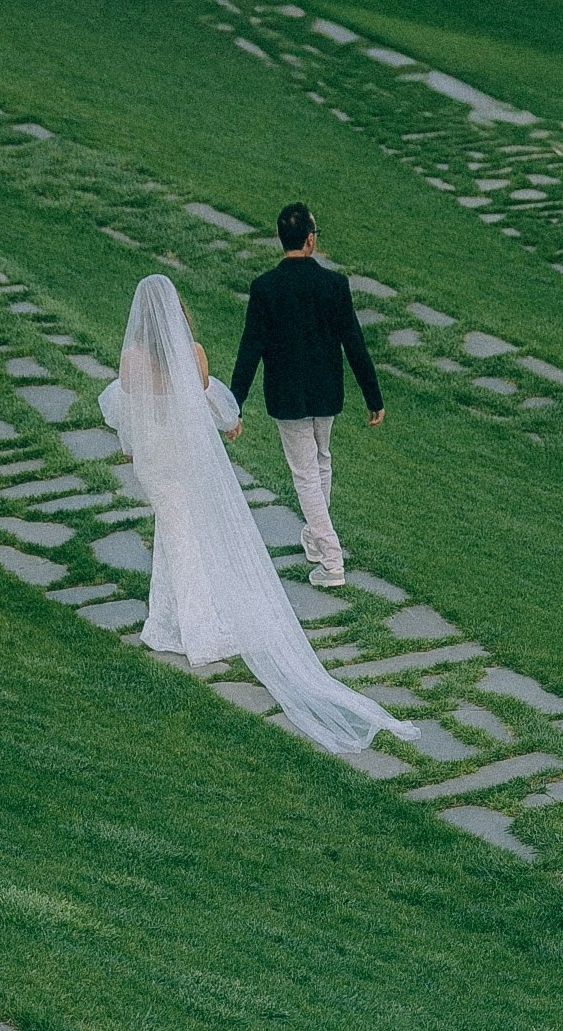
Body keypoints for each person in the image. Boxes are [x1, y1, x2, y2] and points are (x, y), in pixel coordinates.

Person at [97, 274, 413, 758]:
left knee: (174, 530)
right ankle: (187, 621)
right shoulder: (194, 353)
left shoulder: (130, 360)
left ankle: (173, 619)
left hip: (155, 459)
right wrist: (229, 420)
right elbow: (205, 403)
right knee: (182, 533)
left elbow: (127, 406)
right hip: (182, 454)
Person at [227, 202, 384, 591]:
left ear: (282, 239)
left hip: (287, 396)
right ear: (311, 239)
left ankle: (331, 560)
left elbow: (251, 349)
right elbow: (355, 344)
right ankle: (317, 540)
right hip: (326, 391)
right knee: (320, 463)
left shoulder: (265, 288)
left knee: (306, 474)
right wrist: (373, 396)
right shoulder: (334, 285)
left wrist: (234, 404)